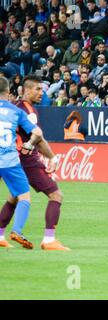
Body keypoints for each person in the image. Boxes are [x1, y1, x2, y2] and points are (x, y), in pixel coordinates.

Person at [0, 75, 70, 251]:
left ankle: (0, 235)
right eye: (37, 89)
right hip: (26, 161)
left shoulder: (14, 107)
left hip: (11, 159)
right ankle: (48, 240)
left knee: (14, 197)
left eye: (42, 89)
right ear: (25, 90)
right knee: (56, 195)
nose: (41, 93)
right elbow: (37, 137)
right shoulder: (27, 111)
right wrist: (52, 157)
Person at [0, 76, 43, 249]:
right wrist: (29, 144)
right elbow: (37, 132)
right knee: (24, 197)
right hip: (9, 160)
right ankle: (16, 230)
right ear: (9, 92)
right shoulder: (16, 111)